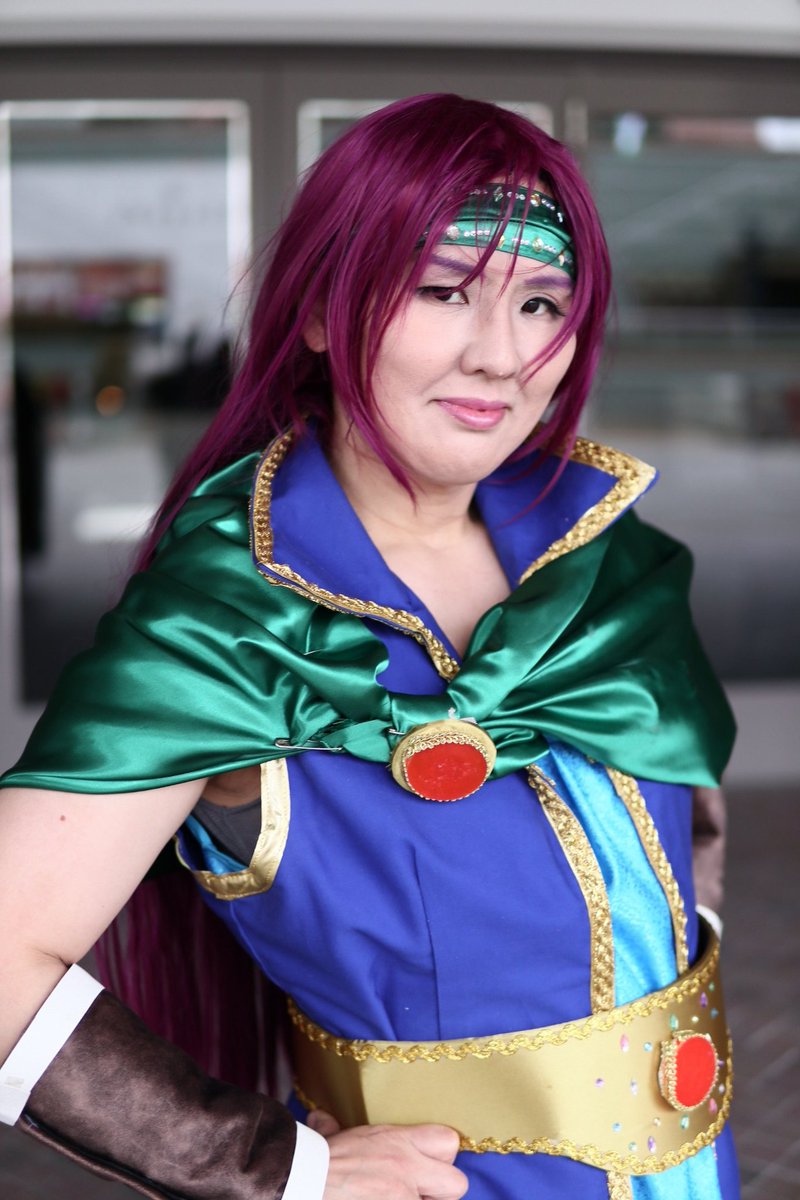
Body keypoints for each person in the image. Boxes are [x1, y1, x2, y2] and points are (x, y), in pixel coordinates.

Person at [0, 93, 739, 1200]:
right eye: (444, 291)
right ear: (318, 310)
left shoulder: (608, 557)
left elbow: (685, 805)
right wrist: (272, 1169)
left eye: (541, 303)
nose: (502, 355)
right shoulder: (229, 619)